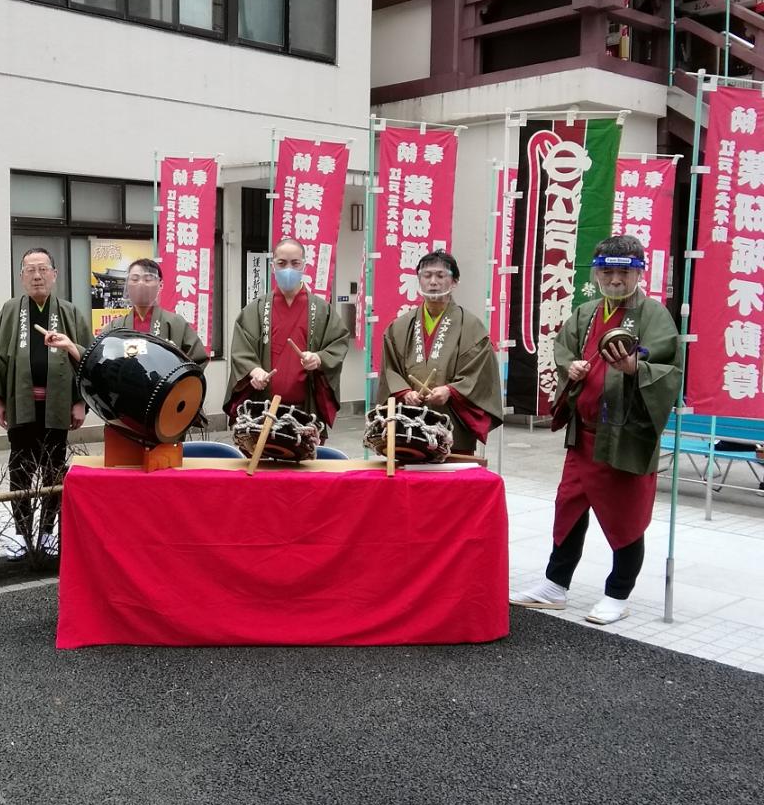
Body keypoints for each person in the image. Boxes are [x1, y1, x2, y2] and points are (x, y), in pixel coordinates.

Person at [510, 235, 682, 625]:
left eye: (624, 271)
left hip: (625, 434)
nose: (615, 279)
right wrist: (570, 368)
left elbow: (669, 369)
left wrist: (635, 368)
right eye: (607, 270)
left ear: (639, 272)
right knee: (568, 507)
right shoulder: (586, 312)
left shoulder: (654, 316)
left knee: (626, 516)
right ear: (597, 274)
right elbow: (563, 349)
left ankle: (617, 592)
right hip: (582, 433)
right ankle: (556, 584)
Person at [0, 248, 91, 559]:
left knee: (54, 469)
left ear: (54, 274)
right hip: (20, 406)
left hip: (58, 407)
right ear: (21, 276)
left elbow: (85, 358)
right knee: (20, 469)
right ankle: (20, 532)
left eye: (43, 269)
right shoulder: (11, 311)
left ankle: (49, 531)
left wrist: (79, 402)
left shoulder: (70, 313)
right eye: (30, 270)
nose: (37, 275)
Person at [376, 249, 503, 454]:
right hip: (410, 423)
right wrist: (404, 392)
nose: (433, 282)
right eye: (427, 276)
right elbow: (390, 370)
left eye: (440, 275)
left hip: (452, 423)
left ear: (454, 282)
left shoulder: (471, 327)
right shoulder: (399, 327)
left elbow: (481, 375)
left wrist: (451, 391)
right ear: (419, 280)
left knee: (451, 481)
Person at [223, 238, 349, 435]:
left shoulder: (322, 310)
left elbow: (338, 343)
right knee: (262, 463)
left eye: (295, 263)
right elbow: (241, 350)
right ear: (273, 266)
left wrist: (319, 358)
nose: (288, 268)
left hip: (306, 411)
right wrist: (253, 372)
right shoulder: (255, 310)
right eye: (281, 263)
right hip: (263, 410)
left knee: (304, 463)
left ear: (304, 266)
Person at [102, 258, 208, 368]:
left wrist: (179, 381)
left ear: (160, 285)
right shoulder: (115, 326)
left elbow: (199, 359)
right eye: (134, 279)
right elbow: (100, 358)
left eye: (148, 279)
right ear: (127, 286)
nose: (141, 284)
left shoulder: (176, 323)